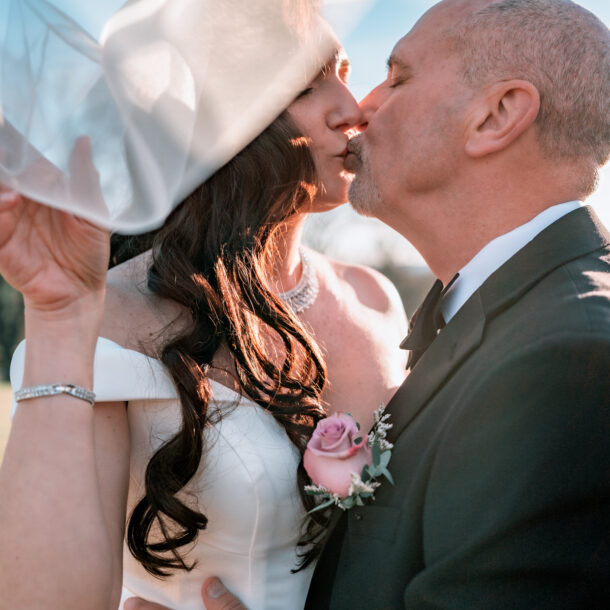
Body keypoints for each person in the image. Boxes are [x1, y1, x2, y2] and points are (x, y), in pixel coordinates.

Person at [134, 0, 610, 608]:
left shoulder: (570, 359)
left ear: (497, 115)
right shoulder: (514, 316)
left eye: (399, 77)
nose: (363, 106)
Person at [0, 41, 408, 610]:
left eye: (343, 73)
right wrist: (55, 317)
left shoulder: (377, 299)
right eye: (305, 86)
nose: (352, 107)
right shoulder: (113, 317)